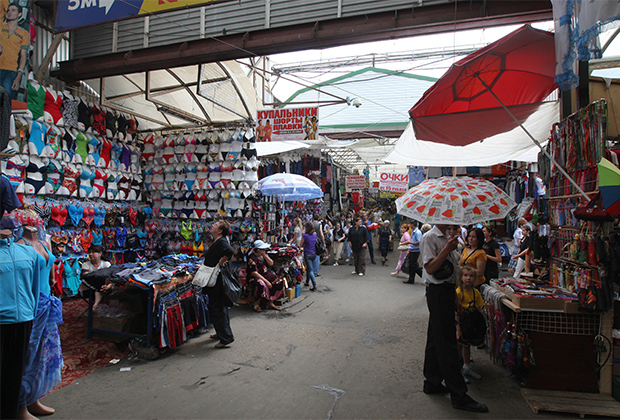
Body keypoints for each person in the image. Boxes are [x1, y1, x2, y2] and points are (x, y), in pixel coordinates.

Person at [420, 223, 488, 413]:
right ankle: (459, 395)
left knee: (435, 338)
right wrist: (447, 249)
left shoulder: (449, 238)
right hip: (437, 292)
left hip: (447, 291)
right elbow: (431, 268)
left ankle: (432, 382)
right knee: (448, 342)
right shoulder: (430, 238)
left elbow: (453, 273)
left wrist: (456, 297)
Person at [16, 212, 63, 419]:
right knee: (27, 355)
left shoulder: (45, 242)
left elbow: (51, 270)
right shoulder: (19, 245)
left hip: (47, 302)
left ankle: (34, 399)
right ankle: (19, 406)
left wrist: (53, 280)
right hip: (30, 303)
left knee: (44, 353)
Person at [0, 216, 42, 420]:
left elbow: (34, 286)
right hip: (2, 320)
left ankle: (11, 413)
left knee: (16, 371)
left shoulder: (27, 253)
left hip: (24, 318)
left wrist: (31, 312)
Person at [203, 220, 234, 348]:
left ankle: (226, 337)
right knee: (218, 307)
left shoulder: (221, 242)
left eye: (215, 225)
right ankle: (220, 332)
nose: (213, 226)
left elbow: (230, 252)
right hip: (214, 279)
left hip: (217, 280)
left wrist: (222, 260)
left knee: (217, 308)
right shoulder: (218, 241)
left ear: (220, 230)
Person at [456, 266, 484, 381]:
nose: (468, 278)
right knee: (459, 345)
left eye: (471, 276)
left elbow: (479, 308)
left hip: (470, 322)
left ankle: (466, 367)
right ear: (461, 278)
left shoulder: (475, 292)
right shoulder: (458, 292)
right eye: (466, 275)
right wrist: (458, 328)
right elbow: (456, 312)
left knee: (466, 345)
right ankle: (457, 369)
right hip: (461, 322)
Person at [0, 3, 28, 99]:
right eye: (8, 10)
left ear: (20, 14)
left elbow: (23, 57)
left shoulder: (24, 33)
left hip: (11, 71)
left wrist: (18, 77)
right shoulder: (0, 27)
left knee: (6, 100)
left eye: (13, 10)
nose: (10, 12)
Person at [247, 240, 284, 312]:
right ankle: (256, 304)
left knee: (279, 281)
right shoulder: (252, 258)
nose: (264, 251)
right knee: (261, 284)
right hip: (256, 277)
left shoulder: (263, 255)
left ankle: (270, 302)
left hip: (266, 274)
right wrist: (266, 282)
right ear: (257, 250)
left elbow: (271, 263)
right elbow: (254, 273)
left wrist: (264, 255)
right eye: (262, 249)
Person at [80, 244, 112, 309]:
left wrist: (107, 286)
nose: (91, 254)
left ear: (100, 253)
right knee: (98, 284)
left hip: (104, 286)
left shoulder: (106, 264)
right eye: (90, 252)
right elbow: (86, 278)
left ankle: (96, 305)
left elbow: (110, 278)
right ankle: (96, 305)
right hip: (88, 287)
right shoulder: (85, 265)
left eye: (93, 252)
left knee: (107, 282)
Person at [300, 222, 319, 291]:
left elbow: (300, 244)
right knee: (309, 268)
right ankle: (307, 282)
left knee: (310, 270)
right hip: (314, 253)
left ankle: (314, 285)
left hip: (307, 253)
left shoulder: (305, 236)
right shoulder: (315, 234)